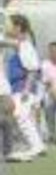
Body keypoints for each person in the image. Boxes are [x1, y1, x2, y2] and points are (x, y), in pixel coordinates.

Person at [1, 13, 45, 161]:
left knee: (21, 118)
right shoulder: (20, 46)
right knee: (20, 118)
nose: (6, 27)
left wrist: (26, 89)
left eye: (9, 25)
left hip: (22, 89)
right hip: (17, 89)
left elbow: (32, 69)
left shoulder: (25, 46)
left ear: (17, 28)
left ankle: (36, 146)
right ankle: (35, 146)